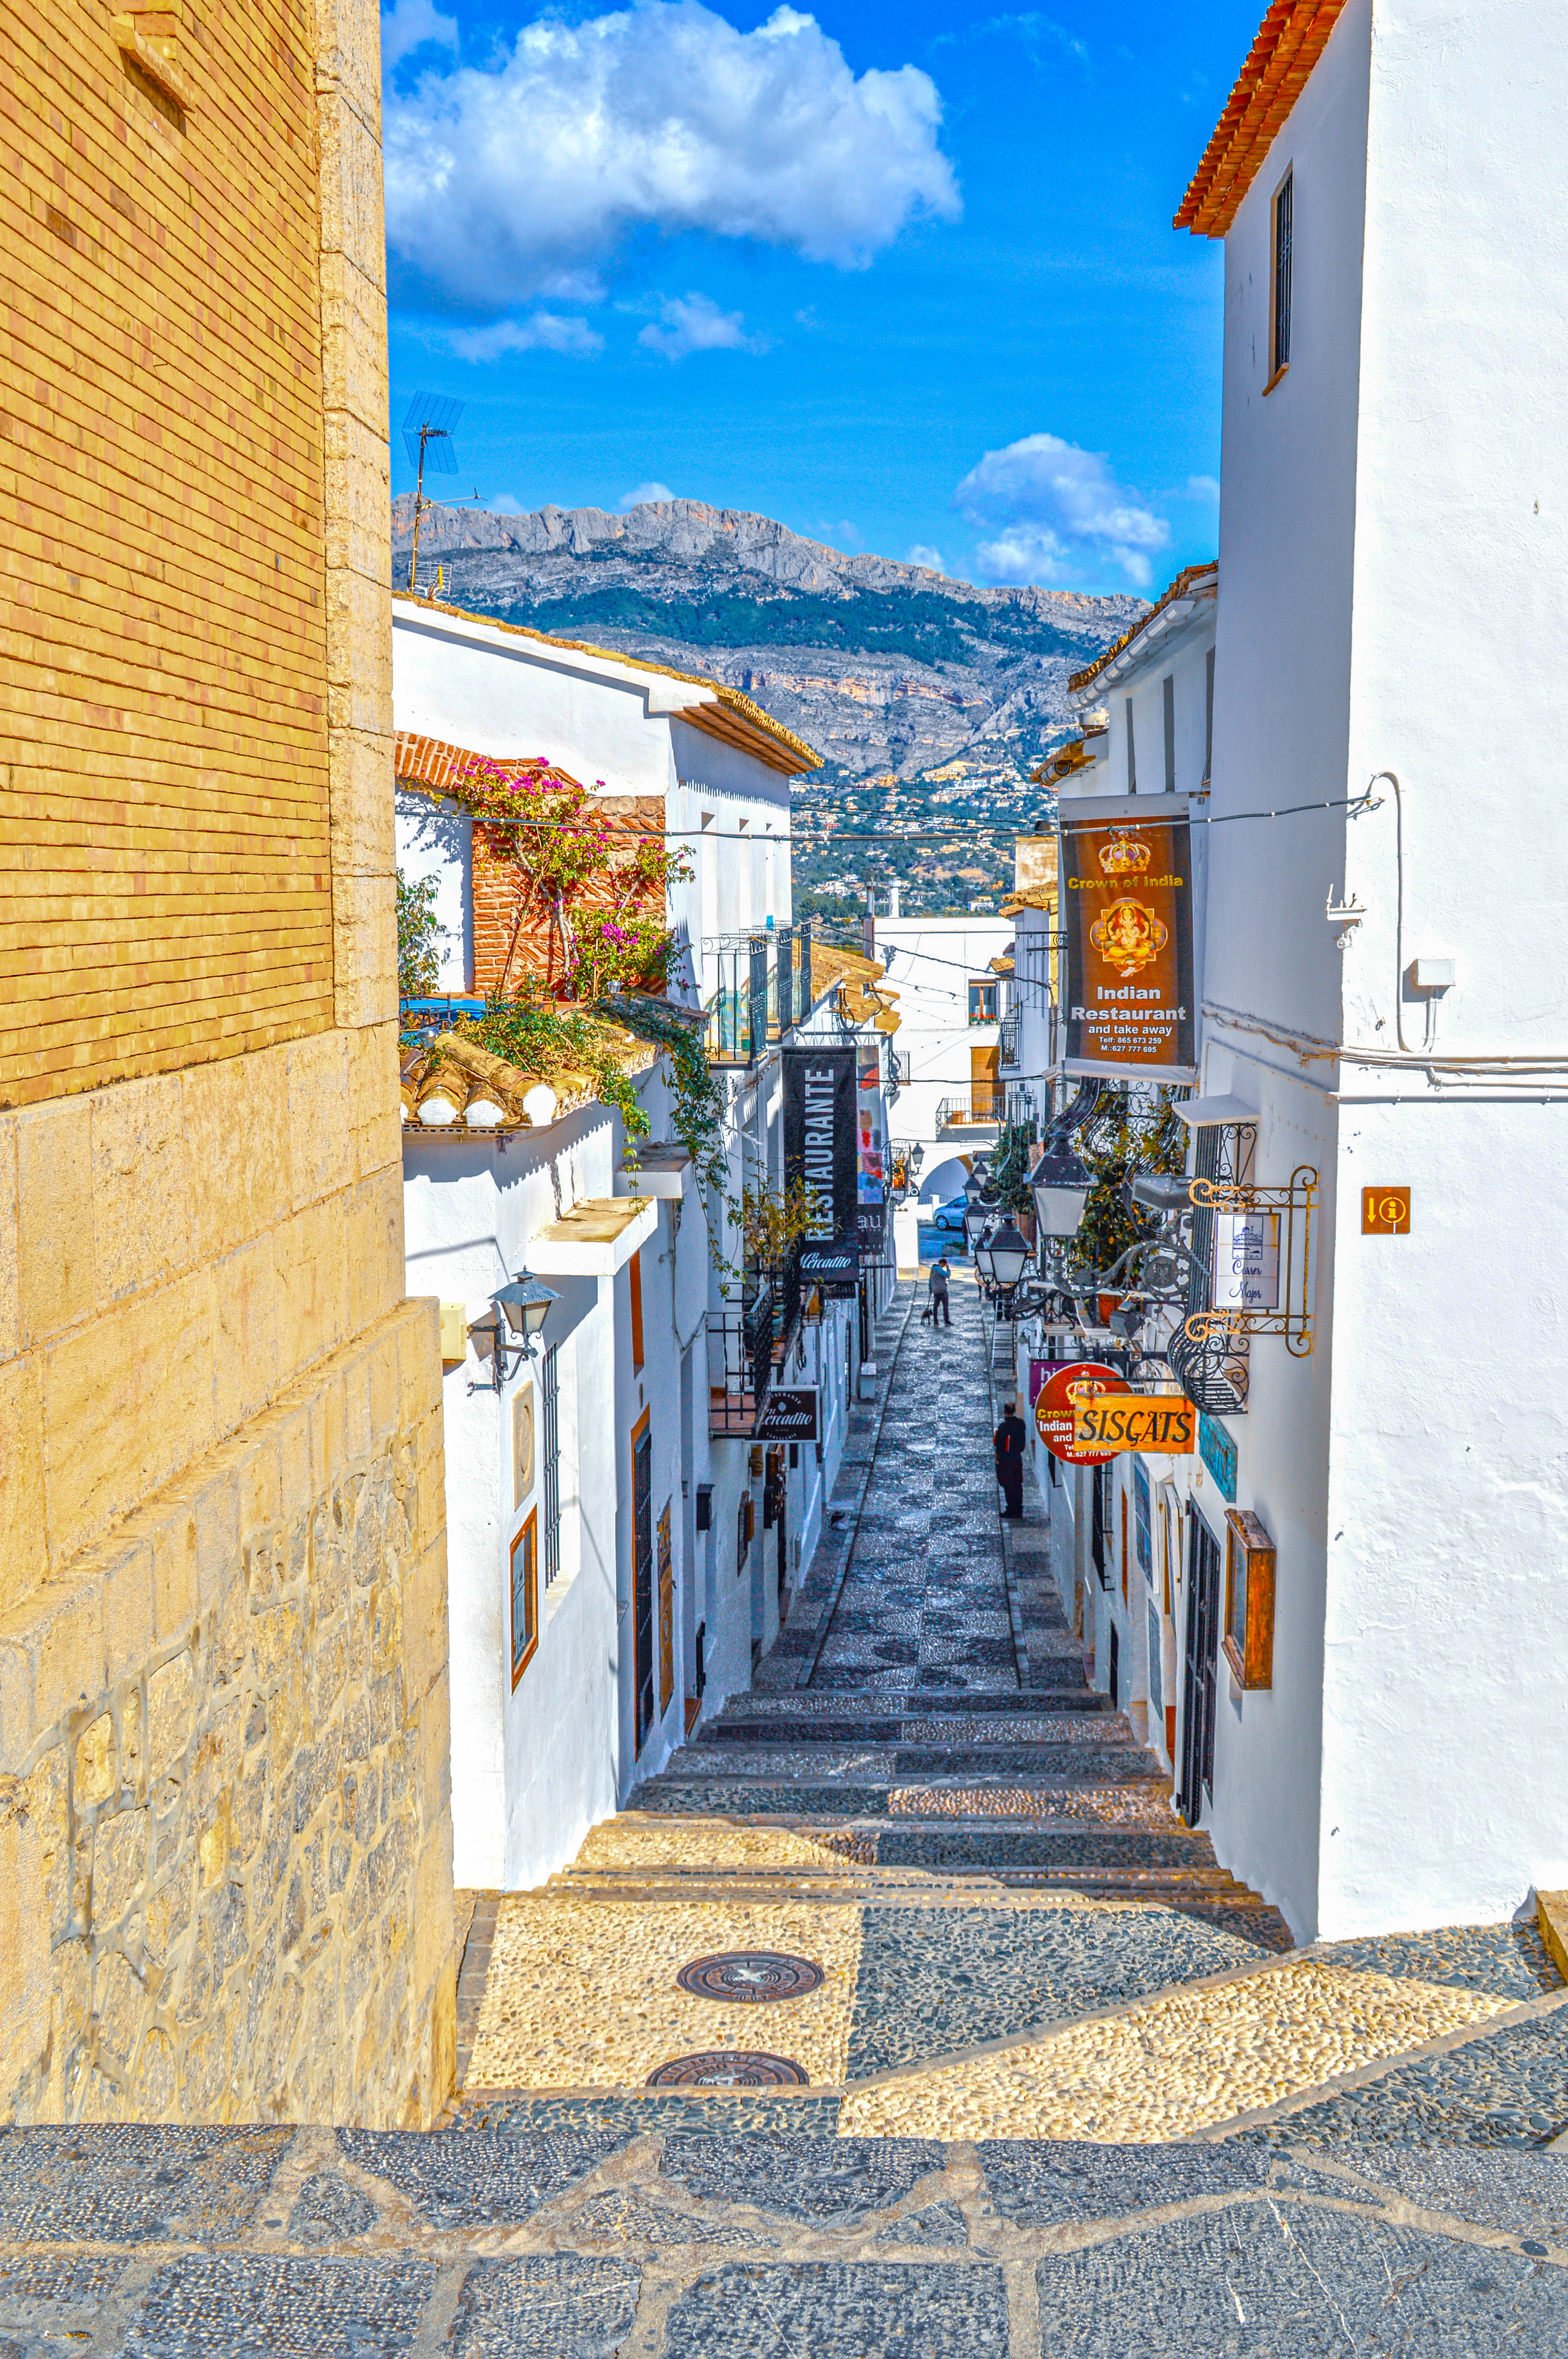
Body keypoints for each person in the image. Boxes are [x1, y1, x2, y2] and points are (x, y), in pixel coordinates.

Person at [994, 1399, 1027, 1519]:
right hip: (1017, 1458)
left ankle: (1012, 1509)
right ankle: (1018, 1508)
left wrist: (998, 1459)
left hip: (1006, 1459)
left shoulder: (1004, 1427)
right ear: (1015, 1410)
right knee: (1018, 1483)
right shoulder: (1021, 1424)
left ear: (1004, 1411)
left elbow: (999, 1445)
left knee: (1008, 1484)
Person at [927, 1253, 952, 1327]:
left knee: (936, 1306)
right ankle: (947, 1321)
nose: (944, 1267)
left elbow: (930, 1281)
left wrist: (930, 1290)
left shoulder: (932, 1270)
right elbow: (948, 1276)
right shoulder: (939, 1269)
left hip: (935, 1291)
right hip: (942, 1291)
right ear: (943, 1264)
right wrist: (948, 1269)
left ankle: (935, 1321)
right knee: (945, 1307)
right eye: (944, 1265)